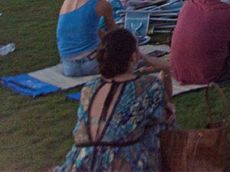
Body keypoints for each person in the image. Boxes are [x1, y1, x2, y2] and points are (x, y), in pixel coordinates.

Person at [57, 28, 173, 171]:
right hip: (122, 163)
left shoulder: (90, 87)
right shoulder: (148, 86)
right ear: (134, 56)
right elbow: (166, 114)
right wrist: (166, 68)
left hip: (80, 162)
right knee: (160, 127)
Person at [57, 0, 118, 76]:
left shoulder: (67, 2)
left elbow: (82, 27)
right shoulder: (102, 5)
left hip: (68, 66)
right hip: (91, 63)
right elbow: (114, 34)